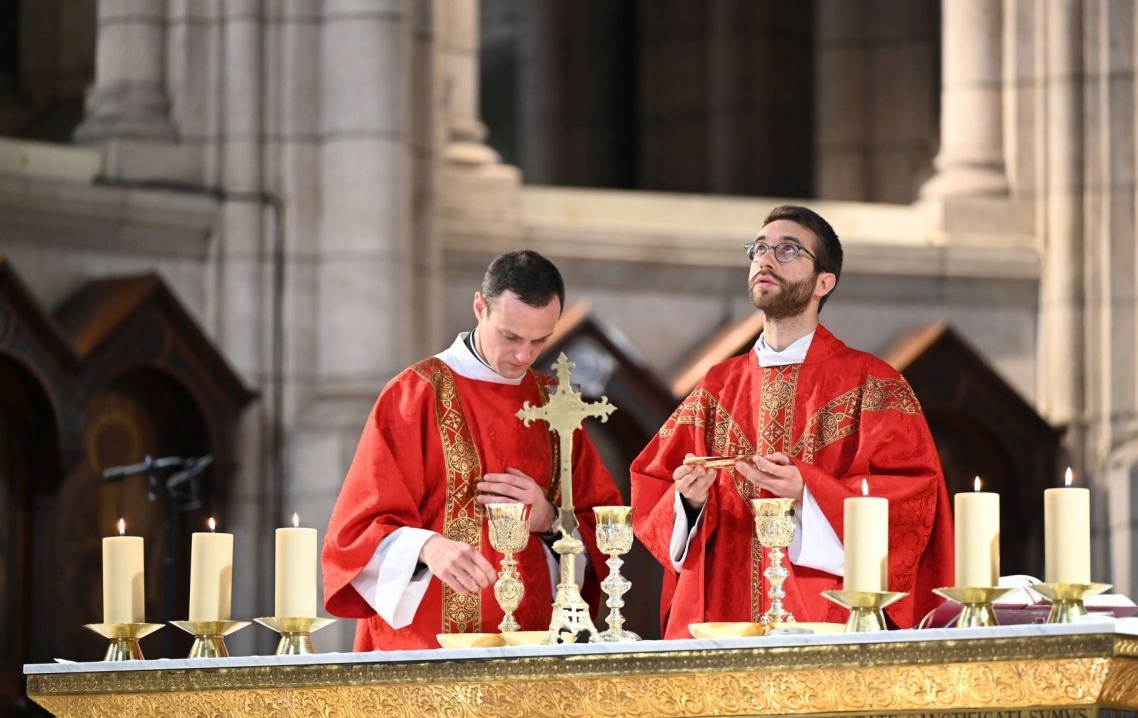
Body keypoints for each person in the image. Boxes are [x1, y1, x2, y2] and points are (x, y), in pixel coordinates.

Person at [631, 205, 953, 636]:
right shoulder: (716, 387)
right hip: (723, 625)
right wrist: (688, 503)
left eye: (787, 250)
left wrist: (809, 493)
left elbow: (912, 508)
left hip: (824, 624)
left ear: (824, 281)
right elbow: (652, 487)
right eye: (759, 248)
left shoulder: (874, 385)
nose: (765, 259)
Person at [323, 250, 622, 650]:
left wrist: (550, 519)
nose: (523, 356)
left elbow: (603, 528)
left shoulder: (557, 404)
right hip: (429, 650)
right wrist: (427, 547)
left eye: (539, 341)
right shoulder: (415, 395)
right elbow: (354, 534)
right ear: (480, 306)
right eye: (511, 337)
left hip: (534, 648)